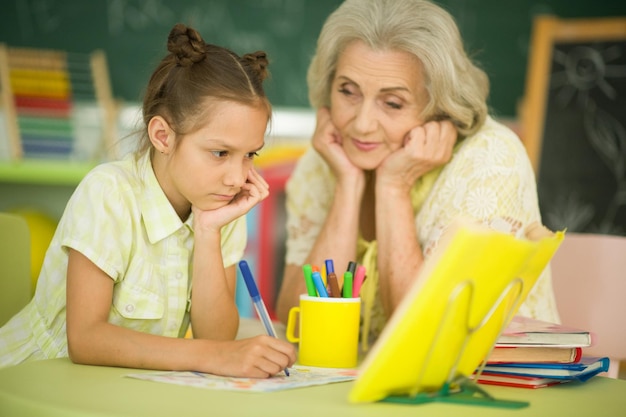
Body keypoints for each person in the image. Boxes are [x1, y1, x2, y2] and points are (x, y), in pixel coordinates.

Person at [0, 23, 296, 377]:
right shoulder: (109, 193)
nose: (237, 178)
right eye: (220, 152)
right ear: (162, 136)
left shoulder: (219, 208)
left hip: (121, 390)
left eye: (251, 155)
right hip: (32, 380)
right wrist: (209, 356)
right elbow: (86, 339)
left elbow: (215, 337)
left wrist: (207, 233)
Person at [275, 0, 561, 351]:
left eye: (392, 103)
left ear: (438, 107)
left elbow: (425, 341)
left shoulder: (489, 159)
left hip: (492, 391)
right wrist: (348, 187)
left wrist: (393, 187)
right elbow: (296, 325)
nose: (362, 124)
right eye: (348, 92)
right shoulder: (324, 162)